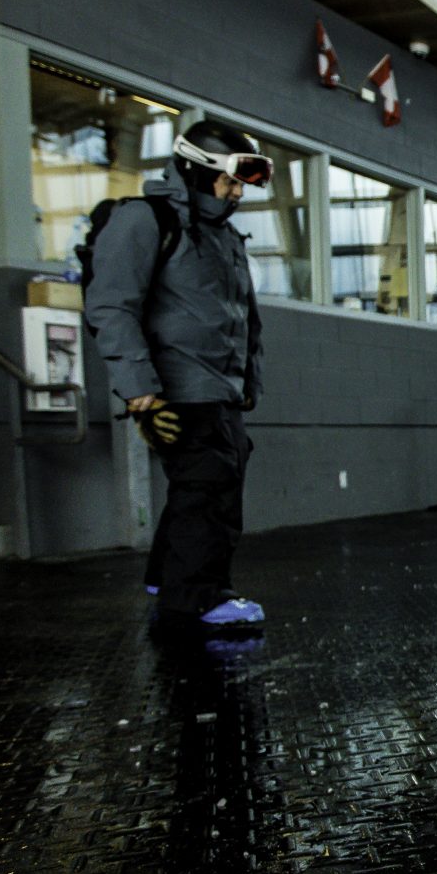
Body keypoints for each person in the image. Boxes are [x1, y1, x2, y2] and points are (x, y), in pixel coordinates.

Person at [87, 119, 271, 630]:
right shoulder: (144, 220)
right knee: (208, 490)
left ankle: (165, 576)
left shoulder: (226, 236)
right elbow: (110, 306)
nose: (236, 194)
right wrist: (139, 389)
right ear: (194, 170)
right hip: (177, 387)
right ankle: (198, 598)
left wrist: (248, 382)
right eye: (228, 182)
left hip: (221, 389)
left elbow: (244, 317)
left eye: (240, 185)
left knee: (207, 481)